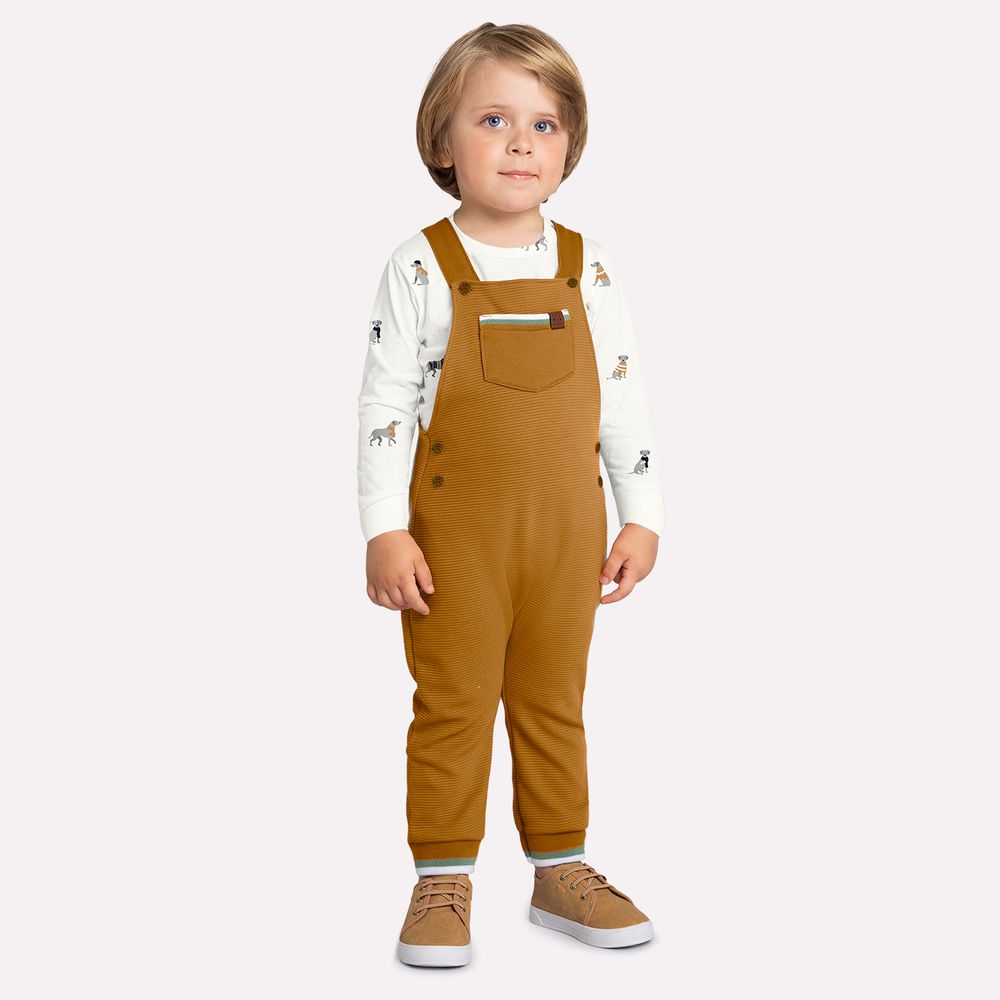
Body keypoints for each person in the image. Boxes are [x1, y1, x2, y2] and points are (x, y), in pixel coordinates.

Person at [356, 22, 664, 967]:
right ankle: (442, 878)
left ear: (570, 146)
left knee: (552, 701)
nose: (521, 143)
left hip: (568, 537)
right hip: (455, 540)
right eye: (493, 120)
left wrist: (642, 514)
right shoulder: (421, 264)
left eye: (544, 124)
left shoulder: (587, 264)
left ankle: (559, 870)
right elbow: (385, 403)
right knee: (452, 703)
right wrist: (385, 529)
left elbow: (621, 394)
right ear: (443, 141)